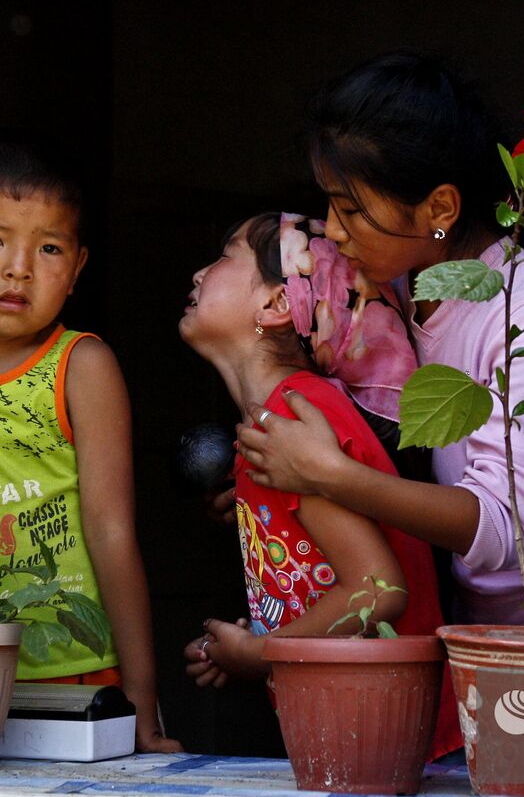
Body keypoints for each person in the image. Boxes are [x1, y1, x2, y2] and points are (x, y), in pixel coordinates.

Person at [233, 50, 524, 626]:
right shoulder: (394, 286)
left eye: (350, 209)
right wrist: (276, 483)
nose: (330, 230)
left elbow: (504, 527)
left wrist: (328, 475)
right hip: (466, 626)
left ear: (439, 209)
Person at [0, 131, 180, 752]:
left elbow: (113, 531)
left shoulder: (80, 366)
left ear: (78, 267)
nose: (19, 268)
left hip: (76, 676)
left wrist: (141, 702)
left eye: (50, 247)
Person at [177, 212, 461, 758]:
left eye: (223, 255)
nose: (198, 273)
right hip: (362, 736)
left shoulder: (294, 421)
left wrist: (260, 653)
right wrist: (238, 647)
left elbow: (379, 590)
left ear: (277, 305)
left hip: (402, 746)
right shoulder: (272, 427)